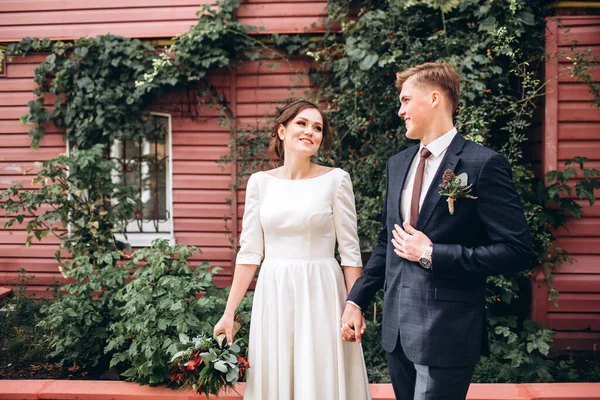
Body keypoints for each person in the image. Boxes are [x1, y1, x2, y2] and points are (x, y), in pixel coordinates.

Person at [341, 62, 534, 400]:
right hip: (397, 332)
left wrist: (432, 254)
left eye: (405, 100)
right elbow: (389, 240)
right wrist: (357, 299)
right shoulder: (398, 163)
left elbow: (517, 250)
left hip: (448, 330)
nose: (400, 111)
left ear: (433, 98)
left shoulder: (483, 163)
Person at [214, 100, 372, 400]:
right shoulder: (259, 183)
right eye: (302, 123)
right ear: (282, 130)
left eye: (317, 128)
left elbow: (350, 253)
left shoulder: (336, 180)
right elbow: (249, 253)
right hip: (274, 292)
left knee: (320, 373)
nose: (310, 131)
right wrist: (228, 313)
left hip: (322, 292)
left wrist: (356, 305)